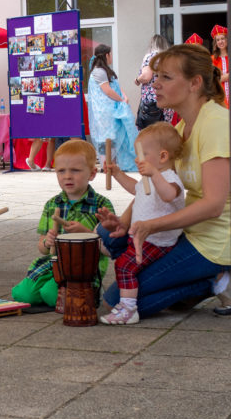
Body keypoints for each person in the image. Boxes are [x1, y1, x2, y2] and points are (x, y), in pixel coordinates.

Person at [96, 43, 230, 318]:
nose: (154, 83)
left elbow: (214, 205)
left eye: (165, 77)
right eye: (156, 76)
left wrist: (149, 225)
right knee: (106, 235)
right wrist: (123, 222)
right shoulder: (179, 129)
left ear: (195, 83)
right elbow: (155, 188)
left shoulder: (216, 123)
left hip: (216, 242)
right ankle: (193, 285)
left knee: (117, 302)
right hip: (188, 232)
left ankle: (212, 279)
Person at [98, 122, 185, 324]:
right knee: (123, 259)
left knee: (125, 266)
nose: (138, 159)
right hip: (143, 238)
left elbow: (169, 195)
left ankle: (128, 309)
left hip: (158, 240)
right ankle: (128, 300)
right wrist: (118, 174)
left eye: (143, 154)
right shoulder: (149, 179)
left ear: (163, 157)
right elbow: (135, 189)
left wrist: (154, 174)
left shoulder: (170, 178)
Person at [11, 139, 113, 309]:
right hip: (53, 265)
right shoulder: (52, 204)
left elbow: (110, 248)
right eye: (61, 171)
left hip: (83, 270)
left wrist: (87, 232)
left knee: (51, 295)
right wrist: (47, 242)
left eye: (75, 170)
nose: (67, 176)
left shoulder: (102, 205)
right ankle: (55, 288)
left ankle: (90, 290)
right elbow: (42, 248)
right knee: (21, 295)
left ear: (92, 173)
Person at [87, 43, 138, 171]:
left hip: (110, 111)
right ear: (106, 55)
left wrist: (124, 97)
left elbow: (116, 86)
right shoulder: (99, 72)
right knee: (107, 138)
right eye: (111, 54)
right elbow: (107, 90)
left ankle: (112, 164)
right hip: (105, 113)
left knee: (113, 137)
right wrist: (121, 100)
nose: (112, 57)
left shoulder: (105, 71)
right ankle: (108, 165)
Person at [135, 34, 173, 130]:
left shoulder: (151, 56)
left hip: (152, 103)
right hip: (167, 102)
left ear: (152, 44)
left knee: (150, 136)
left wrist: (137, 80)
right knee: (163, 134)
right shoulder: (168, 58)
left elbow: (146, 76)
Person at [210, 24, 228, 107]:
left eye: (222, 38)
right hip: (220, 96)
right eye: (218, 40)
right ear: (215, 43)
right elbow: (212, 79)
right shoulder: (212, 59)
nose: (220, 42)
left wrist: (222, 77)